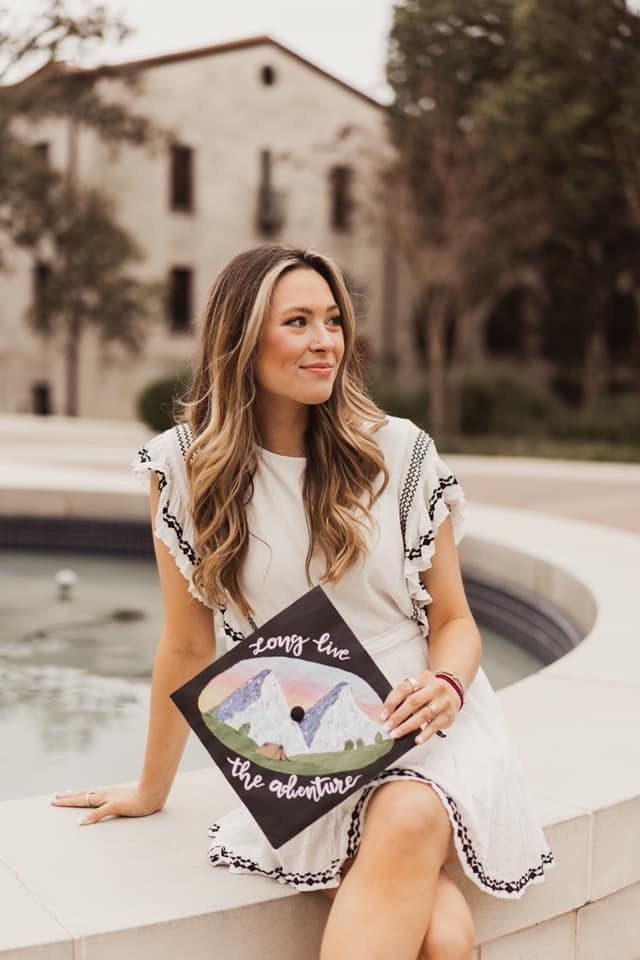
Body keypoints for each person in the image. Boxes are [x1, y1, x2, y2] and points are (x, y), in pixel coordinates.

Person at [52, 245, 554, 959]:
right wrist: (151, 789)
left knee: (410, 815)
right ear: (242, 340)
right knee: (443, 936)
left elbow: (455, 620)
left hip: (428, 719)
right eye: (298, 322)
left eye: (333, 321)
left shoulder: (399, 452)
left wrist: (447, 685)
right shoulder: (184, 470)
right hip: (305, 742)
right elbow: (188, 647)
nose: (326, 342)